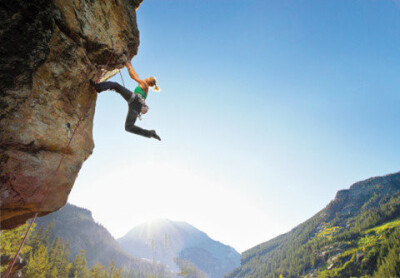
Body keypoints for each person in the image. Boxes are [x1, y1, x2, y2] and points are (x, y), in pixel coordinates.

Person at [93, 62, 161, 141]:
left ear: (149, 80)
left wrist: (128, 66)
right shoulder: (146, 88)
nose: (146, 78)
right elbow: (136, 75)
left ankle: (98, 87)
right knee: (128, 127)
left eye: (148, 78)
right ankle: (150, 133)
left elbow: (133, 76)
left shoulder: (144, 84)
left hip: (135, 100)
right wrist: (130, 65)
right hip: (136, 108)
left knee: (116, 86)